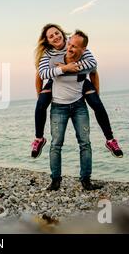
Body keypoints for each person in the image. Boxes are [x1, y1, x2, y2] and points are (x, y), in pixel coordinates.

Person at [31, 23, 123, 159]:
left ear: (62, 33)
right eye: (51, 36)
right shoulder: (47, 54)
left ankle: (110, 140)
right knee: (41, 103)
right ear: (47, 41)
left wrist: (73, 68)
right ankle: (39, 139)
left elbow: (93, 65)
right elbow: (42, 74)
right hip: (57, 82)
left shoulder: (74, 43)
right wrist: (64, 69)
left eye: (57, 33)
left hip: (79, 80)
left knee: (97, 103)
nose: (55, 37)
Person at [46, 30, 103, 191]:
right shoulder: (54, 58)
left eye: (74, 46)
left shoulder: (86, 61)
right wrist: (41, 95)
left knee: (85, 143)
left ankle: (86, 180)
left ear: (83, 49)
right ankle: (55, 180)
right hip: (58, 106)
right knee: (56, 144)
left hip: (79, 105)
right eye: (69, 43)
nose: (70, 48)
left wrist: (96, 95)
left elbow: (94, 71)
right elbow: (41, 73)